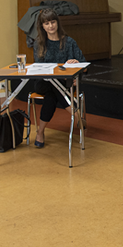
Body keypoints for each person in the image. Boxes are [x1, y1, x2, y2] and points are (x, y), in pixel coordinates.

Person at [32, 8, 85, 148]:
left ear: (57, 22)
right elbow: (39, 67)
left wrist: (77, 64)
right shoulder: (39, 44)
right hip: (43, 83)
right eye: (47, 23)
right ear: (42, 26)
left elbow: (84, 65)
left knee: (51, 96)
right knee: (53, 86)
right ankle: (76, 113)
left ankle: (40, 132)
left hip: (62, 84)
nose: (51, 26)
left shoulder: (69, 42)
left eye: (53, 22)